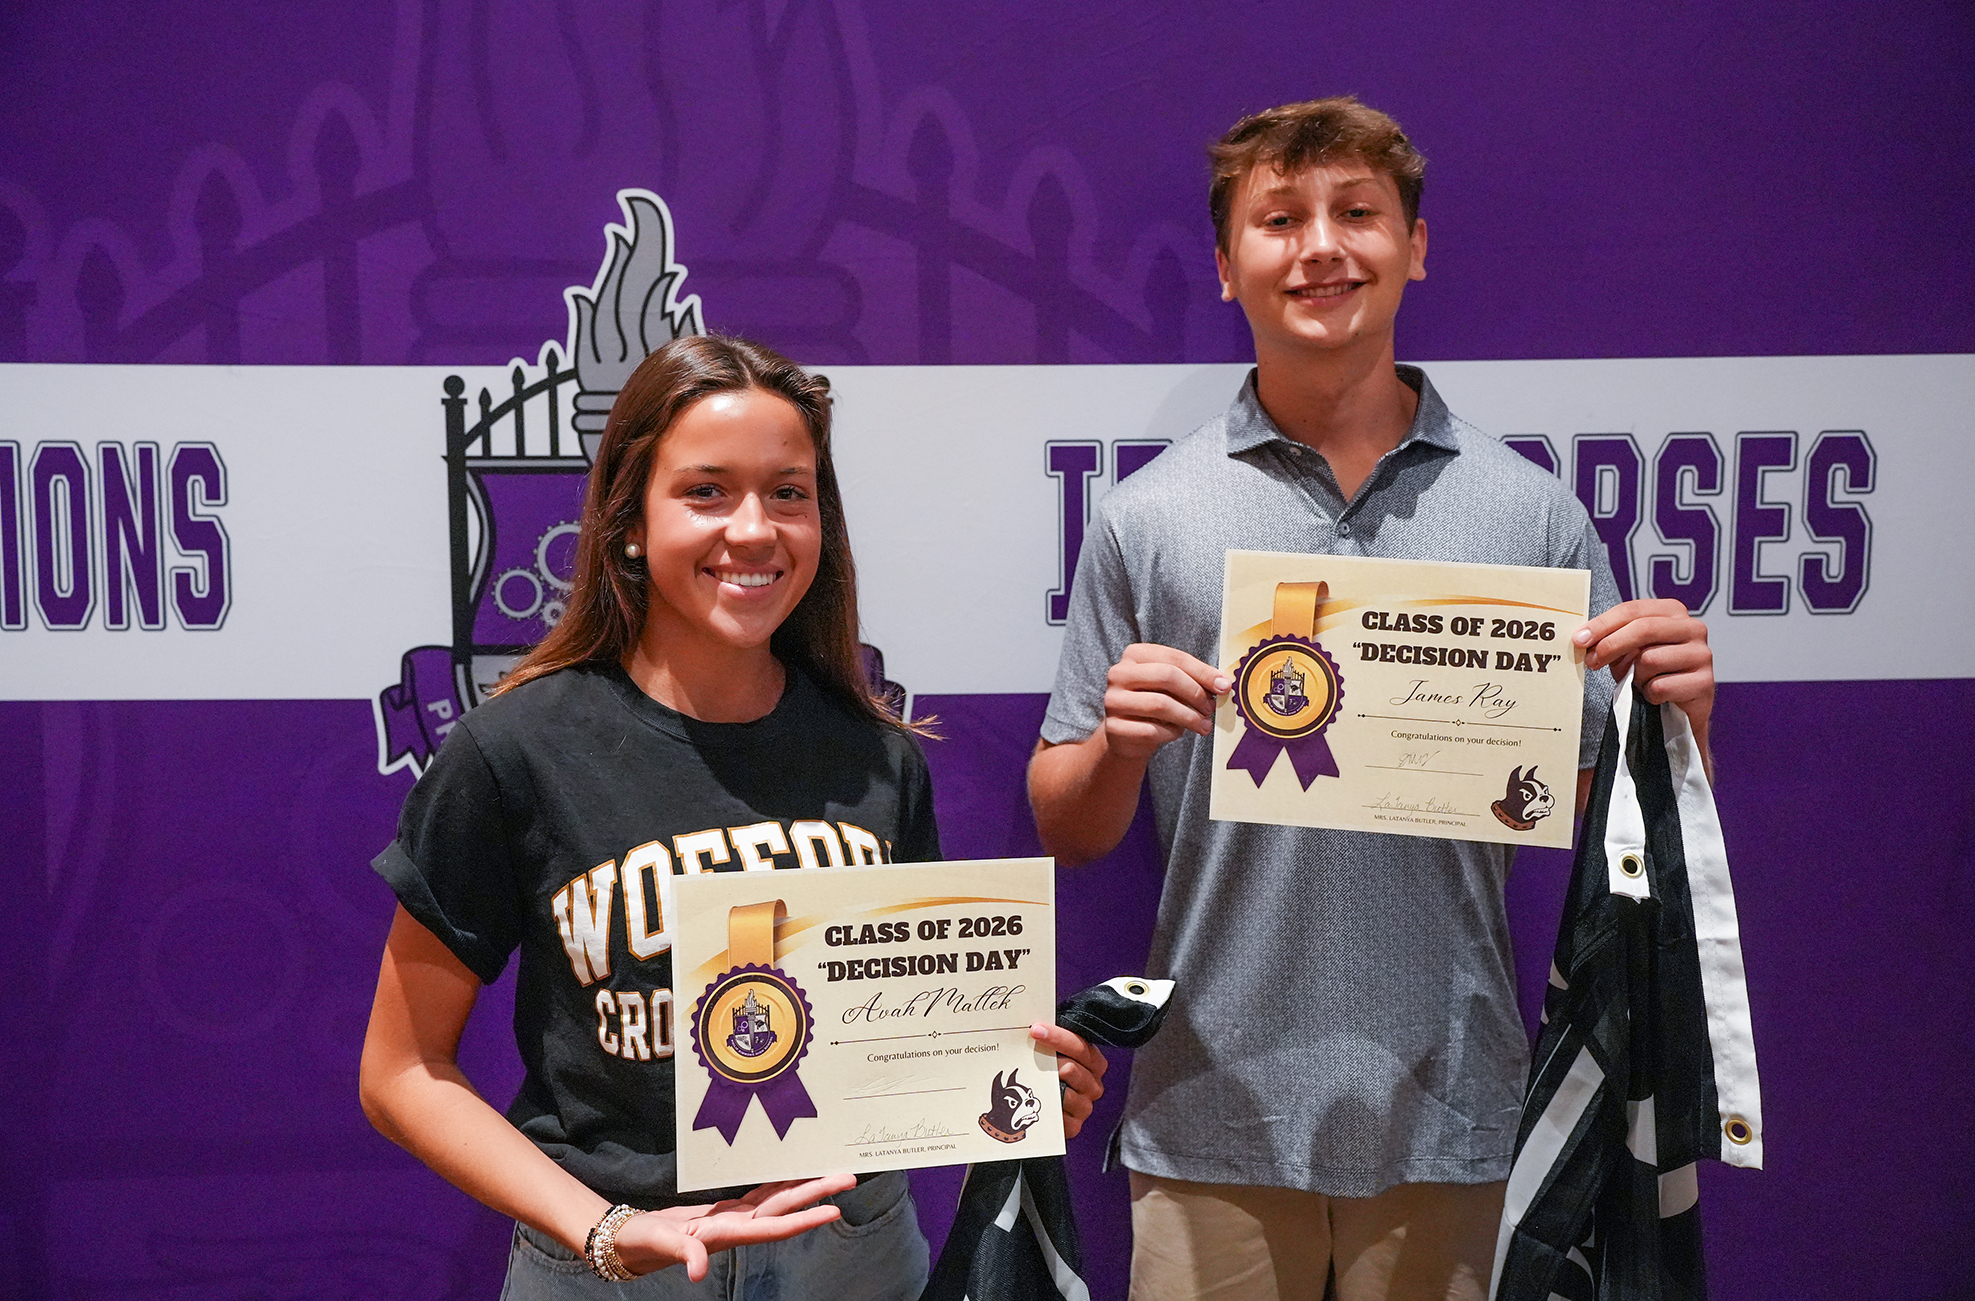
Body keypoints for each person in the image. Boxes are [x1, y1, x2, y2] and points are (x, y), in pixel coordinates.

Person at [1027, 99, 1715, 1301]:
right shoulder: (1150, 515)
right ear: (1226, 264)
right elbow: (1067, 826)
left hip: (1450, 1109)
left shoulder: (1528, 514)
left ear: (1415, 246)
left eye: (1356, 213)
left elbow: (1599, 816)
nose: (1319, 247)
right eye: (1278, 220)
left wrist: (1677, 724)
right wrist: (1118, 750)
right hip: (1211, 1115)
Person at [360, 334, 1108, 1297]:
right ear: (629, 522)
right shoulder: (514, 750)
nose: (753, 529)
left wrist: (1015, 1085)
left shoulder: (877, 757)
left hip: (851, 1253)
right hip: (613, 1263)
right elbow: (402, 1069)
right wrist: (605, 1228)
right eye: (706, 491)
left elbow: (908, 1052)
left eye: (788, 492)